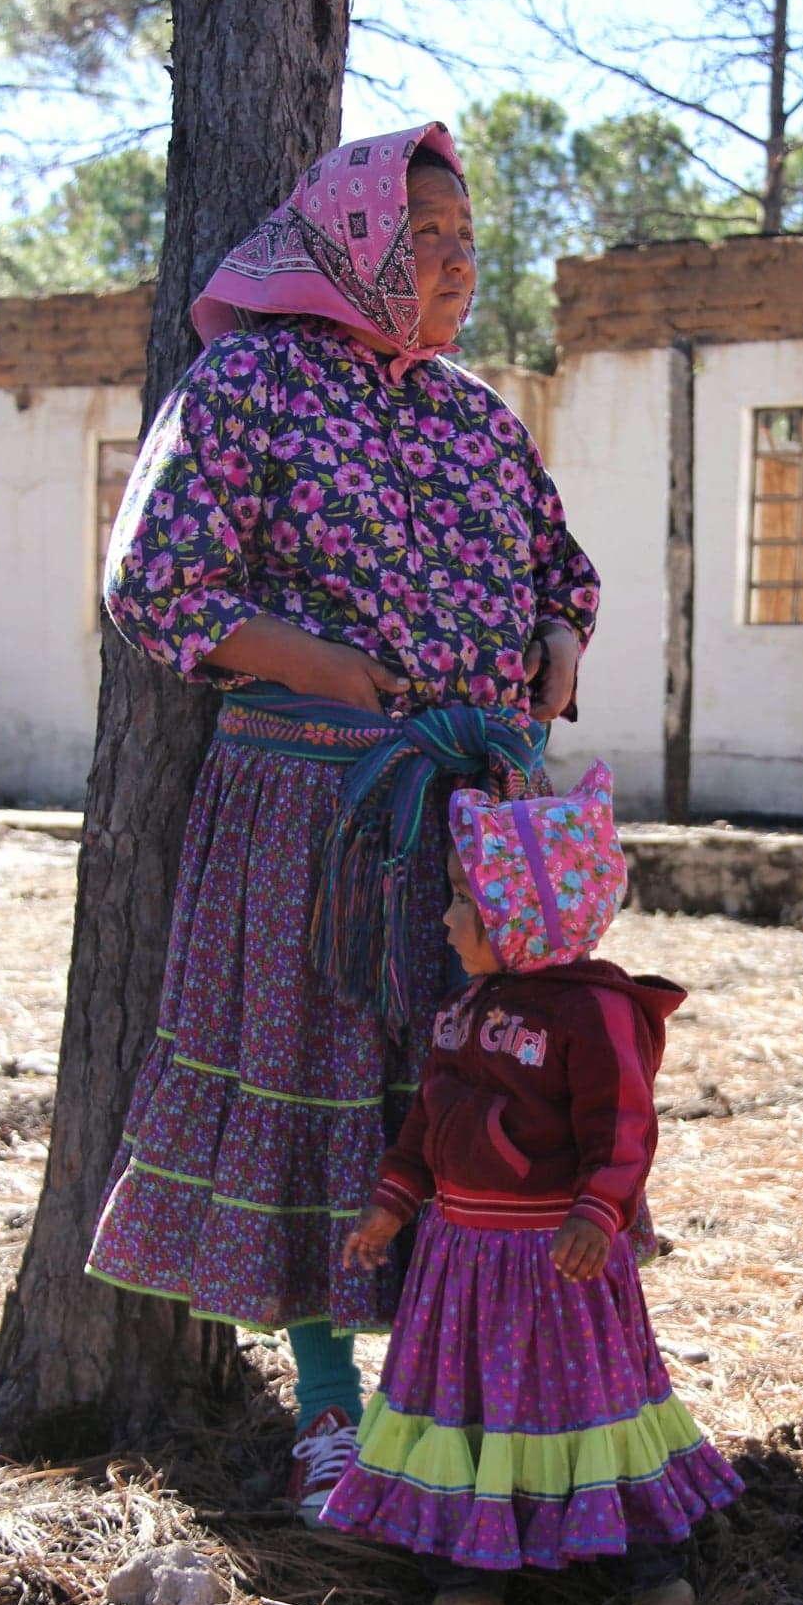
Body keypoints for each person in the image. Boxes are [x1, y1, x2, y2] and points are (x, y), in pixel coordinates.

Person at [84, 120, 618, 1523]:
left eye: (464, 244)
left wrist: (557, 639)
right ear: (357, 246)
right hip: (310, 806)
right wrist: (323, 665)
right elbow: (155, 582)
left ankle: (462, 1403)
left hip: (475, 822)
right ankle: (331, 1417)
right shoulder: (249, 383)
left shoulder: (474, 415)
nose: (455, 266)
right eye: (425, 240)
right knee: (321, 1089)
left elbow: (567, 567)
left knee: (472, 1104)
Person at [320, 763, 742, 1605]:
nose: (443, 919)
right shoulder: (463, 1010)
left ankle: (645, 1559)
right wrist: (393, 1201)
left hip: (559, 1267)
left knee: (587, 1401)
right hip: (460, 1264)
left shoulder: (591, 1014)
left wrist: (600, 1210)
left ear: (520, 915)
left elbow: (623, 1127)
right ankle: (466, 1567)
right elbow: (424, 1125)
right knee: (467, 1402)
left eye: (460, 902)